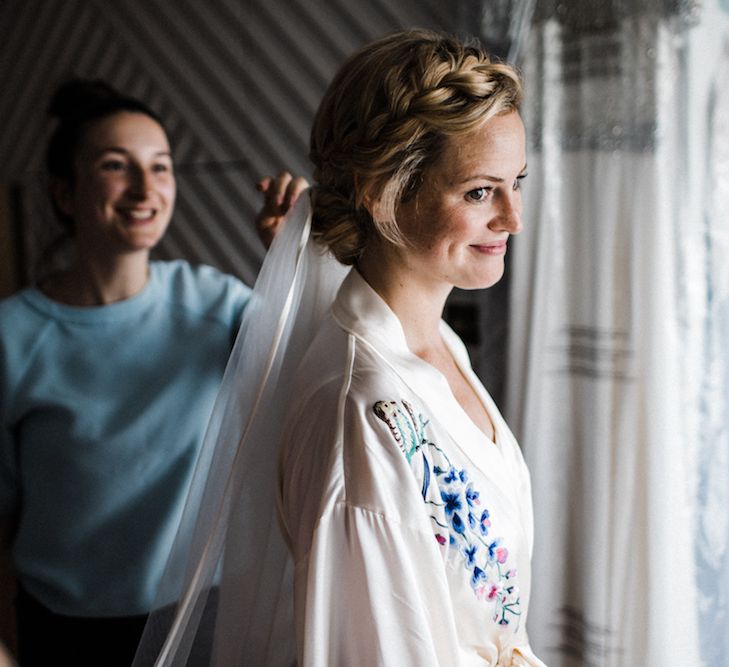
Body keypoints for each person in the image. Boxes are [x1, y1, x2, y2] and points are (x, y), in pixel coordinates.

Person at [138, 28, 546, 667]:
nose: (513, 217)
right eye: (478, 191)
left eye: (515, 181)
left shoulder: (441, 346)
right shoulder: (361, 410)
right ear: (381, 191)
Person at [0, 79, 305, 666]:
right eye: (118, 166)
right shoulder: (13, 337)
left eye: (160, 167)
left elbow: (316, 368)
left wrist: (289, 257)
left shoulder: (215, 304)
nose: (146, 188)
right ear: (65, 193)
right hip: (62, 631)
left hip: (197, 617)